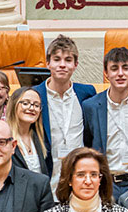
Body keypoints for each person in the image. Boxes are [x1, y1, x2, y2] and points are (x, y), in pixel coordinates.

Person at [82, 46, 128, 199]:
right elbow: (88, 142)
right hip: (107, 182)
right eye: (114, 68)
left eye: (125, 68)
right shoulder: (91, 106)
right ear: (106, 73)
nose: (120, 73)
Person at [34, 34, 98, 195]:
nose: (62, 65)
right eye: (57, 59)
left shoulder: (86, 93)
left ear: (75, 64)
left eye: (68, 60)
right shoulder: (35, 95)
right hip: (48, 177)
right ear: (48, 63)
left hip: (81, 181)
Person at [8, 86, 51, 177]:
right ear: (14, 105)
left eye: (36, 105)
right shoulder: (4, 138)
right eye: (25, 103)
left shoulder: (41, 138)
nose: (31, 108)